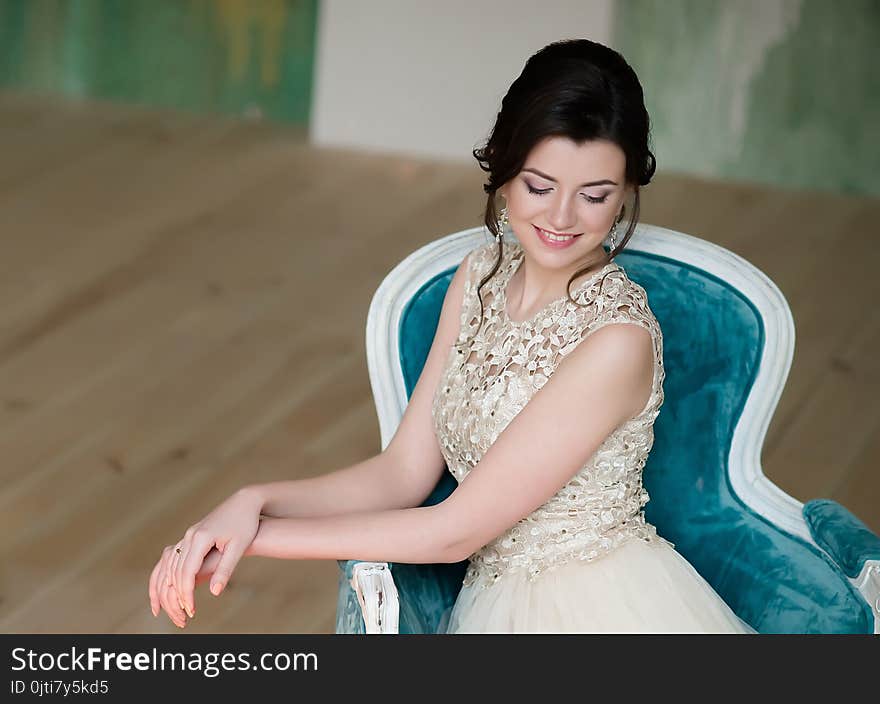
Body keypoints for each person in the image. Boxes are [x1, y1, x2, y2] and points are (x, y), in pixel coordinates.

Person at [148, 38, 755, 633]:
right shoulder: (478, 277)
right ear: (503, 169)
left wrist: (257, 541)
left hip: (595, 608)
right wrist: (254, 500)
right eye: (539, 187)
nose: (562, 218)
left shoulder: (617, 340)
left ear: (626, 195)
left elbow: (454, 531)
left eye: (594, 196)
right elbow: (403, 474)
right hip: (497, 601)